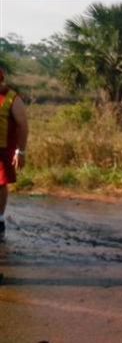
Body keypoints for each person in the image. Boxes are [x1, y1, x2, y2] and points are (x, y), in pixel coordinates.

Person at [0, 66, 29, 285]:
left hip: (2, 151)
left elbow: (22, 124)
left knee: (0, 184)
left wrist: (21, 150)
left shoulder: (11, 97)